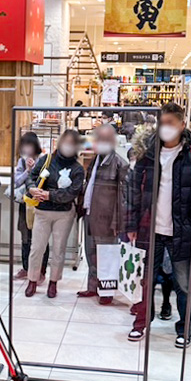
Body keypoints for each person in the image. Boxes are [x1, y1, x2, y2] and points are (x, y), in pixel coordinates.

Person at [126, 103, 191, 348]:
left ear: (182, 125)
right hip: (151, 228)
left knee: (183, 283)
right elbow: (133, 191)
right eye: (162, 123)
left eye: (171, 123)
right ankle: (141, 323)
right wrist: (130, 222)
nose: (166, 128)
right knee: (146, 280)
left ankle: (185, 328)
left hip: (183, 230)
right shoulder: (148, 154)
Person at [24, 129, 84, 299]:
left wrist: (50, 195)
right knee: (37, 248)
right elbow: (32, 176)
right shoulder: (47, 159)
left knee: (59, 249)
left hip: (64, 214)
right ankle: (32, 280)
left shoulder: (77, 169)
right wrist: (31, 188)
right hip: (42, 211)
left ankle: (53, 282)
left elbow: (72, 192)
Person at [77, 124, 128, 305]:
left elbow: (123, 198)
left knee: (106, 255)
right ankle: (93, 287)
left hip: (107, 219)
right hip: (91, 214)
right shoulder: (96, 160)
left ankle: (106, 292)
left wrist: (118, 222)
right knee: (91, 253)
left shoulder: (120, 164)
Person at [12, 132, 48, 280]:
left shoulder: (45, 160)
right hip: (25, 203)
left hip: (40, 204)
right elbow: (17, 182)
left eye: (30, 145)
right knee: (25, 237)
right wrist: (27, 170)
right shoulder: (21, 162)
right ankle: (26, 268)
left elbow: (47, 180)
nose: (27, 149)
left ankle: (41, 270)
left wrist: (34, 170)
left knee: (41, 238)